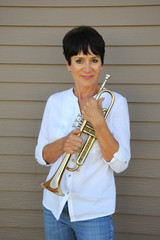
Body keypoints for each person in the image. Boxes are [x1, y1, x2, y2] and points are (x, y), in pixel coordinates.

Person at [35, 26, 131, 240]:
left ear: (101, 63)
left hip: (93, 212)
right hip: (54, 209)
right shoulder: (55, 102)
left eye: (94, 60)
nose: (87, 68)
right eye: (79, 60)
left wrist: (99, 123)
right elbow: (42, 157)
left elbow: (120, 164)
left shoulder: (117, 103)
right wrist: (62, 144)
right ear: (68, 65)